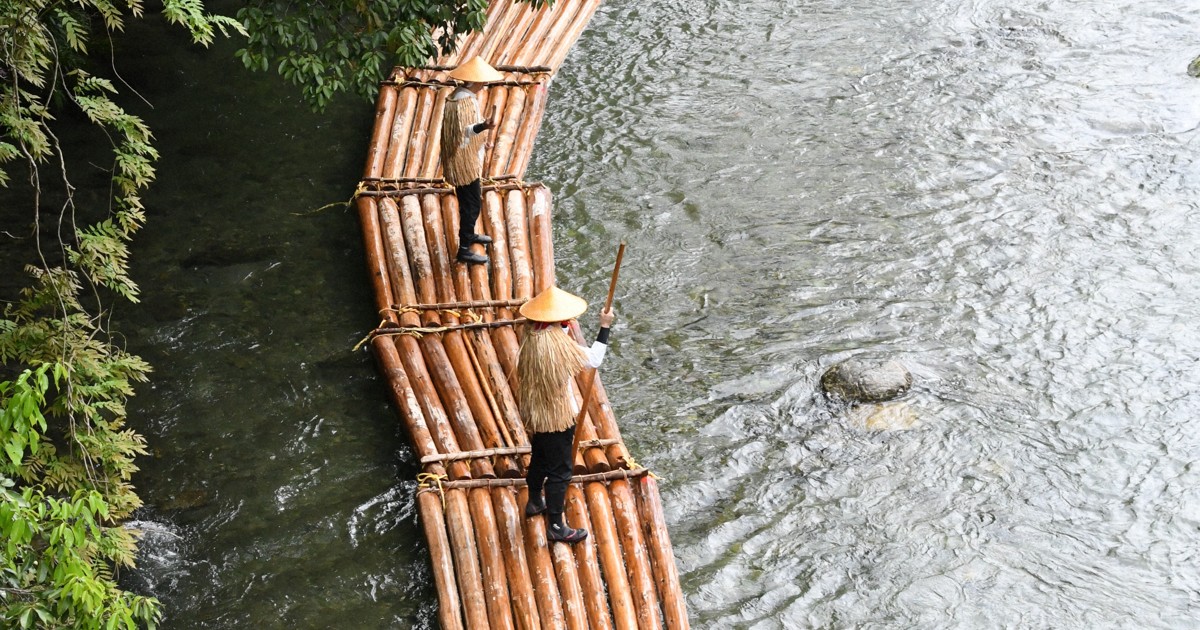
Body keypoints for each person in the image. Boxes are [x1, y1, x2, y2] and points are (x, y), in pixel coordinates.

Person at [517, 286, 615, 543]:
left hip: (538, 410)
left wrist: (563, 327)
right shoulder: (555, 346)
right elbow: (593, 359)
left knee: (540, 456)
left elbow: (555, 331)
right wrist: (605, 326)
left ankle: (535, 500)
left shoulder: (531, 333)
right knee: (561, 471)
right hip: (555, 416)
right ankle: (557, 526)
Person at [440, 56, 503, 265]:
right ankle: (464, 248)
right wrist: (484, 127)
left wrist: (480, 142)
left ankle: (470, 235)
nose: (484, 86)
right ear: (474, 82)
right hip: (463, 162)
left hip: (464, 155)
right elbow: (464, 131)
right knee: (472, 204)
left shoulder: (456, 97)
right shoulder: (463, 102)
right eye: (482, 83)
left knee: (469, 202)